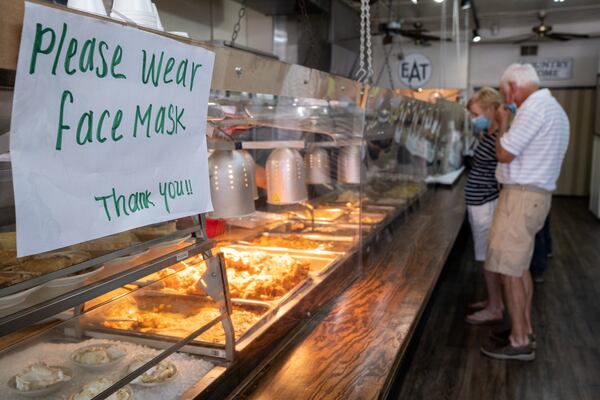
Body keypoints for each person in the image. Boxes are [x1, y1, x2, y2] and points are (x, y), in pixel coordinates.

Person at [480, 63, 569, 361]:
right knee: (520, 268)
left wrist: (503, 121)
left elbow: (504, 153)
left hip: (520, 197)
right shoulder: (553, 109)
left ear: (511, 88)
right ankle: (524, 329)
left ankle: (518, 340)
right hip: (533, 197)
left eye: (505, 91)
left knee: (510, 271)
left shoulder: (533, 110)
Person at [464, 87, 504, 325]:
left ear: (491, 110)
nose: (473, 119)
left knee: (489, 259)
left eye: (476, 113)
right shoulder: (488, 135)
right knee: (486, 258)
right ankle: (493, 300)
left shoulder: (499, 136)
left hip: (485, 204)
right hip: (479, 202)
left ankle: (495, 307)